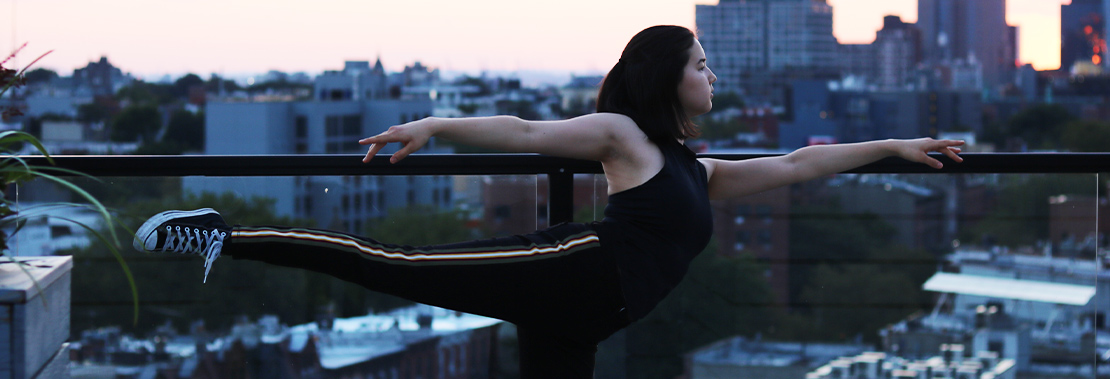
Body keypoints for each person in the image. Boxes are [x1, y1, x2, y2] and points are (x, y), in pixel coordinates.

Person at [134, 25, 963, 378]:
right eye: (702, 64)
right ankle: (223, 235)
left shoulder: (693, 168)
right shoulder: (625, 135)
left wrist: (892, 146)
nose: (714, 76)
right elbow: (528, 129)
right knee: (391, 260)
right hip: (572, 271)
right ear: (665, 75)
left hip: (591, 312)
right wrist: (436, 123)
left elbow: (791, 165)